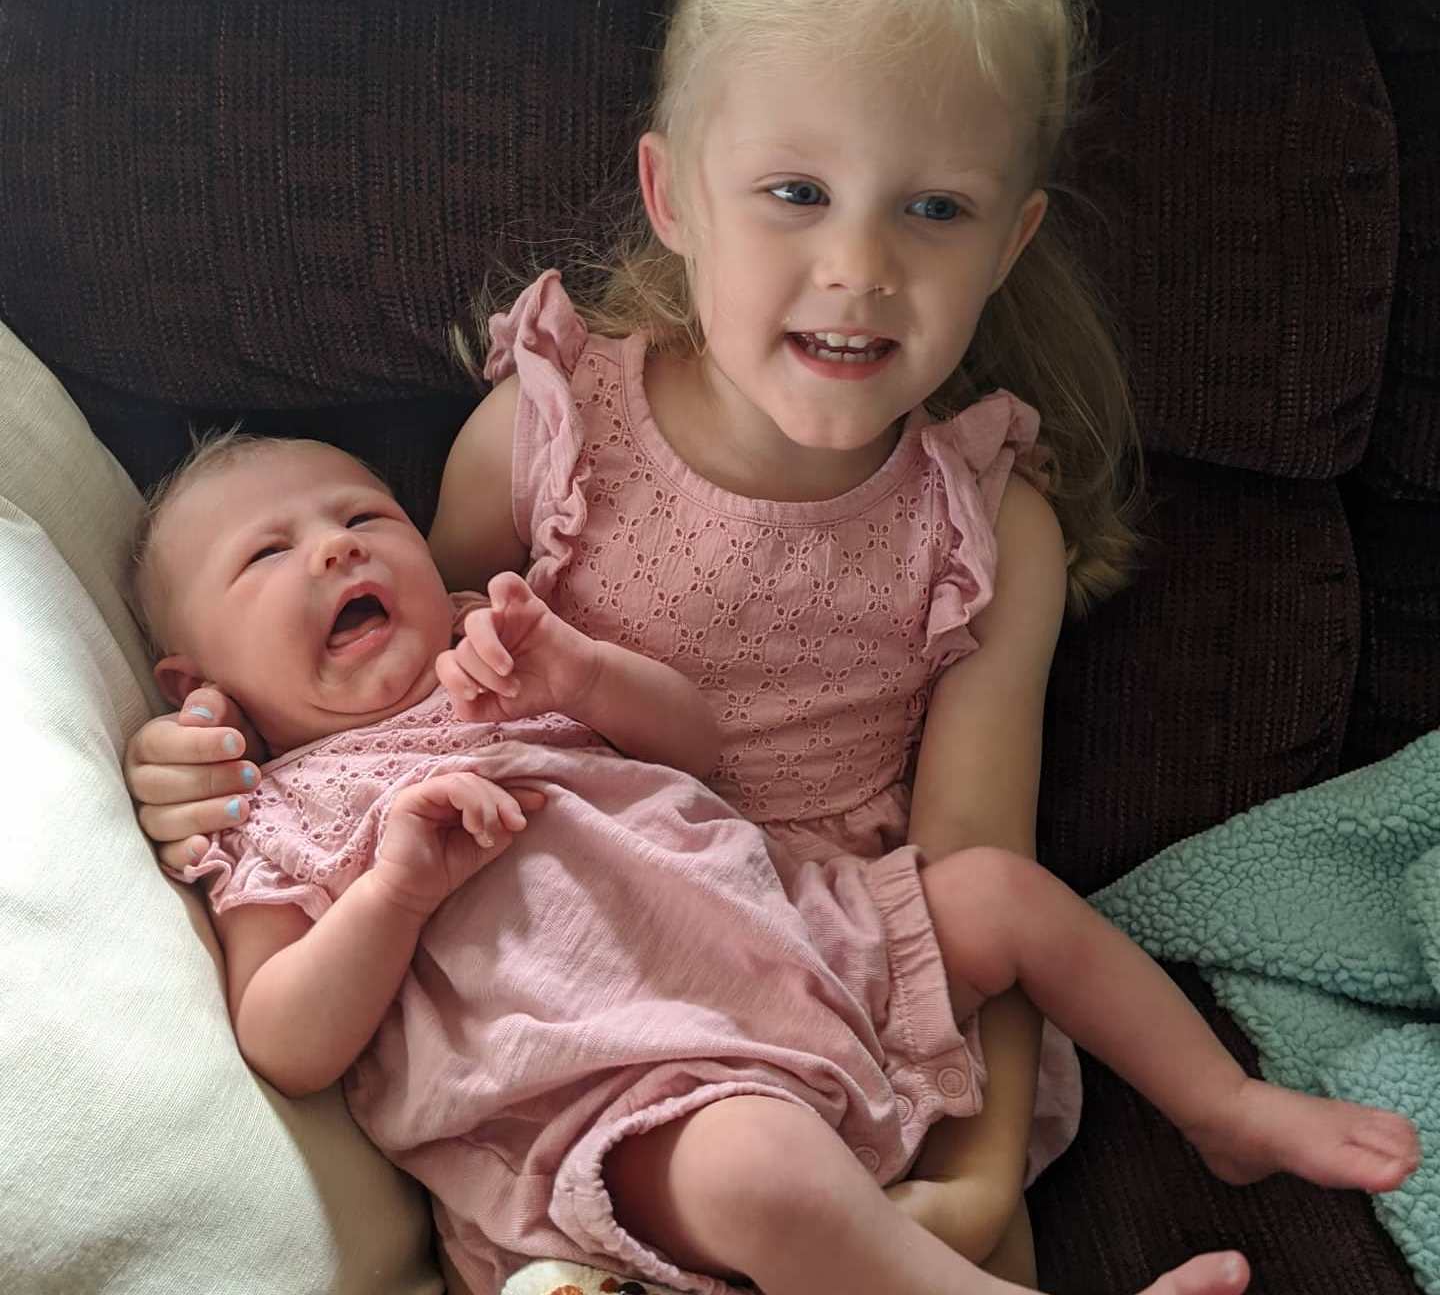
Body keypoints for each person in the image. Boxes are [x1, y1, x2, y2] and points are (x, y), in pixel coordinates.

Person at [114, 0, 1394, 1286]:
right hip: (611, 1010)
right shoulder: (543, 434)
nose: (860, 265)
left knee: (997, 940)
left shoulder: (987, 526)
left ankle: (1221, 1113)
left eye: (936, 209)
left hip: (854, 958)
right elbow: (399, 696)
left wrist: (977, 1180)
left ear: (1012, 240)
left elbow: (976, 858)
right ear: (673, 192)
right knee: (779, 1192)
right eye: (796, 190)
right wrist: (200, 750)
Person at [135, 431, 1416, 1295]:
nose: (337, 548)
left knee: (999, 896)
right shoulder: (276, 813)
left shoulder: (499, 649)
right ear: (199, 682)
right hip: (619, 1101)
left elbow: (696, 751)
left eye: (363, 515)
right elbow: (285, 1037)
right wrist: (397, 889)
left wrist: (580, 673)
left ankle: (1220, 1107)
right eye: (269, 555)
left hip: (804, 947)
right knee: (759, 1172)